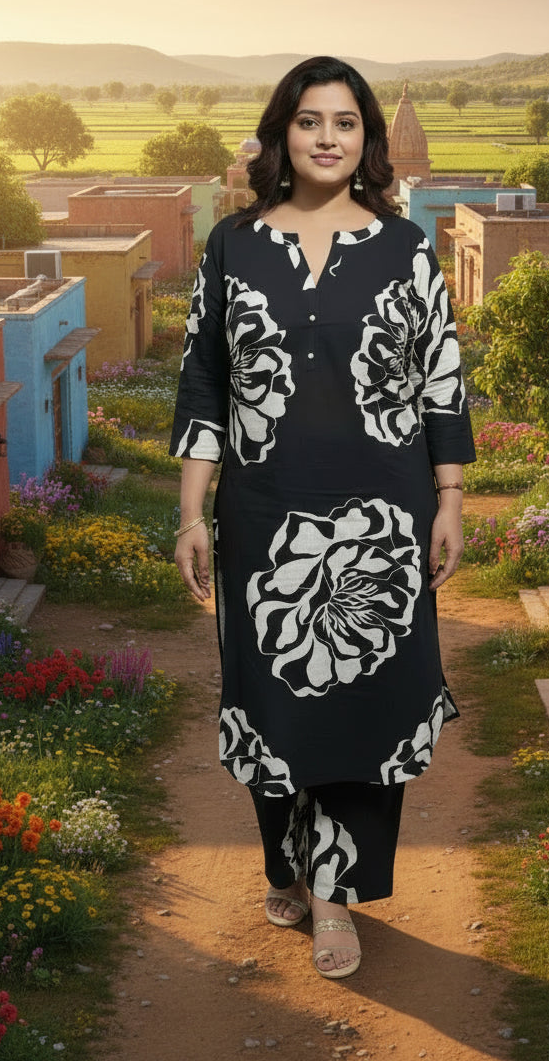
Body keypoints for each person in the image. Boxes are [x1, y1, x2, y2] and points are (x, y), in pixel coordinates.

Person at [171, 55, 475, 980]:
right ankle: (288, 867)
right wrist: (192, 510)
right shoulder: (232, 245)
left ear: (368, 139)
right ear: (283, 132)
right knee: (276, 704)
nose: (329, 138)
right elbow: (204, 381)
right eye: (311, 121)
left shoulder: (403, 247)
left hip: (385, 518)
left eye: (347, 122)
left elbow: (440, 380)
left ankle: (337, 898)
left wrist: (451, 496)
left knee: (361, 705)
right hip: (263, 518)